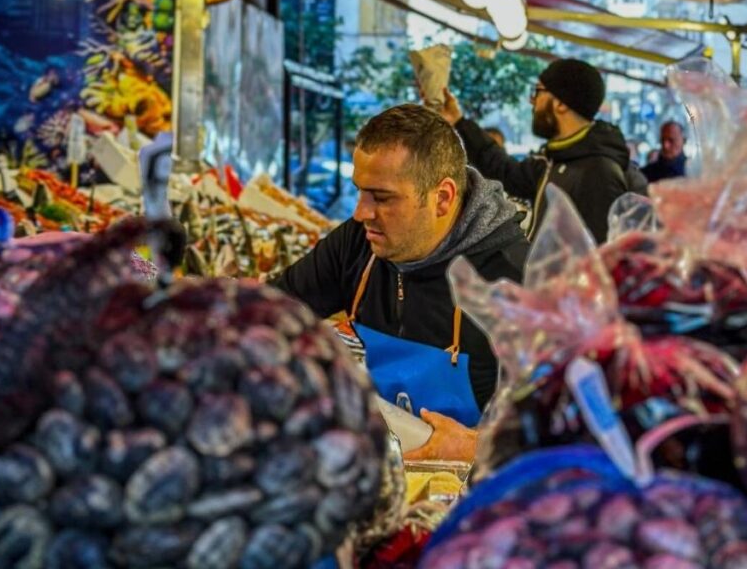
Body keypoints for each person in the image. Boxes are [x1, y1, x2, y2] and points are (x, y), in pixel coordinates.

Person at [270, 104, 528, 454]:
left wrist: (476, 445)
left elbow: (573, 434)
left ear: (443, 198)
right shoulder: (357, 244)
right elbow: (270, 314)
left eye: (382, 198)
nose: (361, 213)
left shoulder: (513, 280)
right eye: (360, 191)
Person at [438, 59, 632, 244]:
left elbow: (601, 261)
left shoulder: (599, 173)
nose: (532, 101)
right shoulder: (553, 160)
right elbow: (506, 171)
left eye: (538, 91)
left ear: (561, 104)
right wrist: (459, 121)